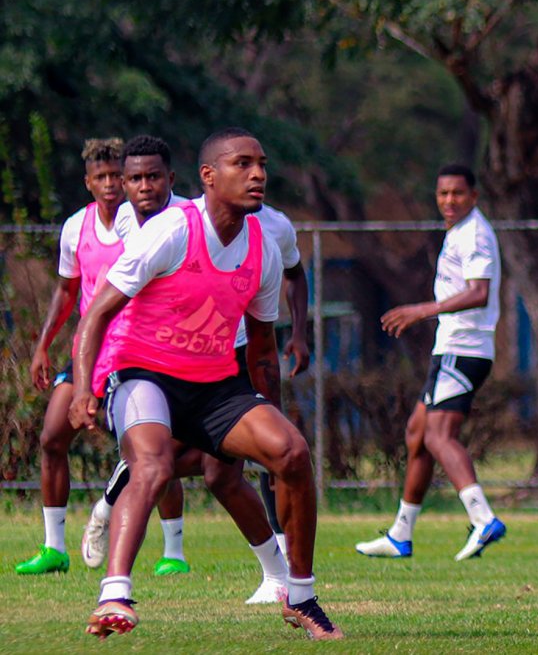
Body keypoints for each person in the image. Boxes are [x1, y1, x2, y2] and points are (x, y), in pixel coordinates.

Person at [69, 128, 341, 640]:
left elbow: (261, 347)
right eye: (243, 164)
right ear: (209, 177)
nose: (258, 173)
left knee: (294, 454)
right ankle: (115, 595)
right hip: (142, 372)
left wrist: (271, 412)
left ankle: (299, 596)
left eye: (261, 163)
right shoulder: (171, 229)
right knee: (154, 464)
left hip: (214, 383)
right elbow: (98, 311)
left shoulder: (262, 244)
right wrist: (85, 385)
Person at [13, 137, 185, 575]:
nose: (111, 185)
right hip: (89, 348)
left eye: (117, 176)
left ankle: (172, 550)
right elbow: (67, 291)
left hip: (133, 345)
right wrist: (42, 347)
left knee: (154, 446)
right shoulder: (76, 227)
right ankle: (54, 547)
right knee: (53, 435)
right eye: (103, 177)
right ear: (89, 182)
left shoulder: (143, 222)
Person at [355, 164, 506, 562]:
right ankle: (400, 534)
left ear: (474, 196)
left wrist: (423, 309)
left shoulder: (475, 234)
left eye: (458, 193)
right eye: (443, 194)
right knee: (417, 434)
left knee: (439, 436)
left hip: (464, 348)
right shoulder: (459, 232)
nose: (449, 201)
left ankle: (483, 518)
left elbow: (478, 293)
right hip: (452, 348)